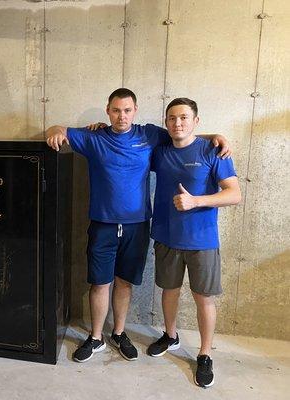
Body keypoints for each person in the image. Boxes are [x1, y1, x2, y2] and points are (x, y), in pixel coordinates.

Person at [46, 88, 231, 363]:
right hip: (103, 224)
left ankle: (119, 333)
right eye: (116, 110)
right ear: (108, 111)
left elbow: (182, 135)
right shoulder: (94, 137)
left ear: (135, 111)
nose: (122, 116)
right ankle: (96, 337)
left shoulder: (149, 135)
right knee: (100, 283)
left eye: (127, 110)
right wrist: (55, 130)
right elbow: (58, 128)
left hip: (138, 225)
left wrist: (215, 137)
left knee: (124, 282)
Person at [147, 98, 240, 388]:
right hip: (166, 235)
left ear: (196, 121)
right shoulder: (159, 152)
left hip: (202, 239)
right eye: (172, 118)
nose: (178, 123)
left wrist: (196, 201)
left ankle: (204, 354)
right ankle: (171, 335)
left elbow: (234, 194)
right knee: (169, 290)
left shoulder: (214, 151)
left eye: (184, 118)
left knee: (204, 298)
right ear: (166, 122)